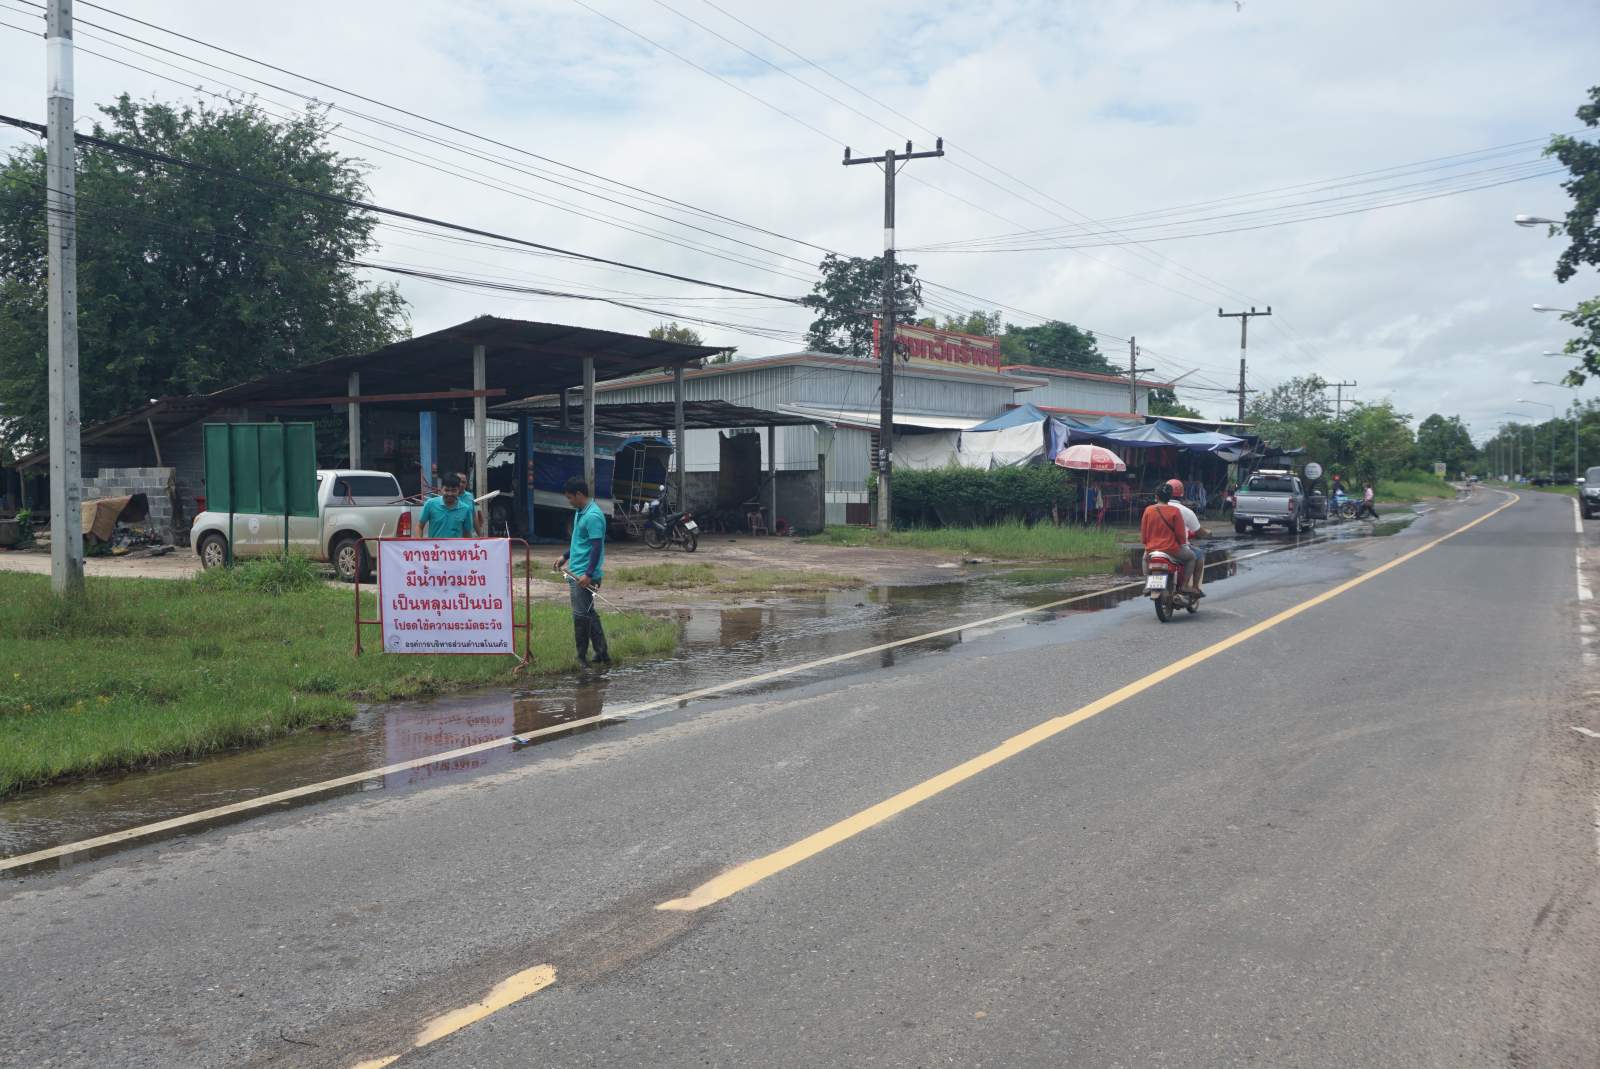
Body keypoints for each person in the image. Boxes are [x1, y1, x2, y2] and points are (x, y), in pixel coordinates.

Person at [554, 476, 611, 666]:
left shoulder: (593, 516)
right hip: (577, 571)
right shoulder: (581, 512)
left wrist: (588, 574)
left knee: (580, 616)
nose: (569, 501)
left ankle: (581, 658)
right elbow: (580, 542)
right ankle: (602, 653)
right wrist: (565, 556)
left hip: (584, 575)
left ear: (579, 494)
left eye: (570, 498)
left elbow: (596, 547)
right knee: (588, 613)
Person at [1140, 480, 1197, 595]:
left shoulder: (1148, 510)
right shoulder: (1175, 511)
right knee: (1192, 558)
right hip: (1172, 549)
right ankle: (1184, 586)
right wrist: (1182, 543)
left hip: (1152, 549)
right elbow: (1180, 535)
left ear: (1156, 496)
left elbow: (1144, 534)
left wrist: (1146, 544)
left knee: (1145, 559)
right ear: (1170, 497)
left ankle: (1147, 585)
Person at [1168, 479, 1209, 594]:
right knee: (1197, 555)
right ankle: (1191, 586)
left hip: (1155, 546)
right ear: (1182, 494)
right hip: (1176, 548)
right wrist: (1207, 533)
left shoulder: (1154, 509)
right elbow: (1199, 532)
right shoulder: (1185, 511)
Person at [418, 473, 482, 538]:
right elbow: (419, 526)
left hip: (457, 545)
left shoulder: (465, 509)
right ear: (441, 489)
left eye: (453, 490)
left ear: (458, 490)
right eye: (446, 490)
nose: (450, 494)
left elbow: (467, 534)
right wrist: (419, 542)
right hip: (434, 545)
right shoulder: (430, 504)